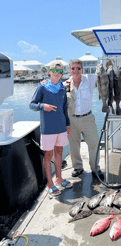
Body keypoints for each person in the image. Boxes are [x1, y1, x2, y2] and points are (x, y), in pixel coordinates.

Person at [30, 61, 73, 197]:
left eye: (60, 71)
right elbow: (32, 104)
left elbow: (65, 108)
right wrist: (43, 106)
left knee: (59, 151)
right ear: (49, 71)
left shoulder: (62, 88)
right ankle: (50, 184)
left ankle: (59, 178)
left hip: (61, 126)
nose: (57, 73)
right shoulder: (42, 87)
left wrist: (68, 123)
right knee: (48, 155)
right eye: (55, 70)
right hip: (48, 128)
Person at [64, 59, 104, 180]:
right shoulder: (64, 84)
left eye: (78, 68)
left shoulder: (90, 80)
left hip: (87, 118)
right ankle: (78, 167)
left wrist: (101, 66)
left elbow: (102, 75)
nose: (75, 70)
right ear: (69, 70)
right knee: (74, 145)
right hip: (71, 119)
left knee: (94, 143)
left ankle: (95, 168)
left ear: (82, 69)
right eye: (73, 68)